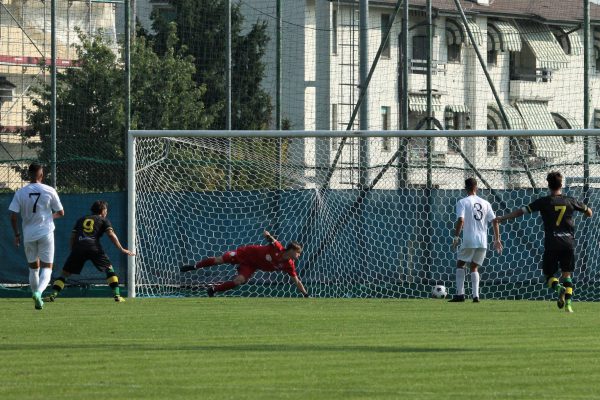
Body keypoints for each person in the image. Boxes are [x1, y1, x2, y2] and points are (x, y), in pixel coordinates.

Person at [495, 171, 592, 313]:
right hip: (568, 243)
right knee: (567, 275)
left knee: (549, 276)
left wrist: (503, 218)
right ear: (561, 184)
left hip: (552, 243)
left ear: (548, 185)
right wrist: (584, 214)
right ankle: (568, 306)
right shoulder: (570, 200)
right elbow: (589, 212)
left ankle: (559, 289)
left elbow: (520, 212)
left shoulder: (544, 202)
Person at [44, 200, 135, 303]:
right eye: (106, 210)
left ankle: (52, 295)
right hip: (94, 247)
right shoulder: (103, 220)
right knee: (109, 269)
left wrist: (73, 251)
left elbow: (73, 237)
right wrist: (121, 249)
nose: (106, 212)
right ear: (103, 210)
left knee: (65, 274)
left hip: (78, 248)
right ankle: (117, 296)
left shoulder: (81, 219)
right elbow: (111, 234)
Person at [181, 230, 309, 298]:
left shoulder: (289, 265)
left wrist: (305, 295)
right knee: (220, 260)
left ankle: (213, 290)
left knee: (239, 281)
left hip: (252, 266)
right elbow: (273, 240)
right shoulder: (279, 249)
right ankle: (194, 266)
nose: (299, 255)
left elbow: (296, 281)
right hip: (246, 253)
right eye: (298, 253)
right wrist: (268, 235)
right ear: (292, 250)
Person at [9, 163, 64, 310]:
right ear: (41, 175)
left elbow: (13, 216)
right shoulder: (49, 190)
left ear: (29, 174)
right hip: (46, 233)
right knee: (47, 267)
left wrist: (16, 234)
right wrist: (48, 217)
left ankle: (35, 297)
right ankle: (39, 293)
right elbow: (61, 212)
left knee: (33, 269)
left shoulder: (20, 192)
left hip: (28, 235)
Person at [449, 177, 502, 303]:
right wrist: (497, 239)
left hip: (469, 239)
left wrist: (456, 237)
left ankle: (460, 294)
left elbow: (461, 220)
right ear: (476, 188)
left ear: (465, 188)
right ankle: (475, 296)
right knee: (474, 267)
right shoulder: (485, 203)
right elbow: (495, 221)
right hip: (482, 241)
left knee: (460, 264)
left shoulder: (462, 202)